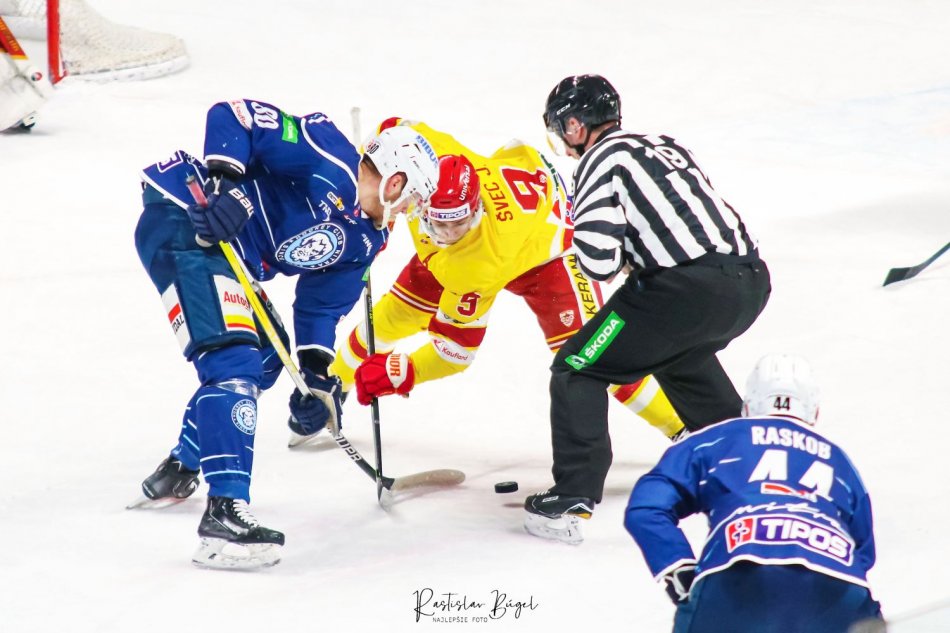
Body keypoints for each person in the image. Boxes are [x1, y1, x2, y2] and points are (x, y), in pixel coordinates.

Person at [132, 99, 439, 569]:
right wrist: (225, 188)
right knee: (234, 364)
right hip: (187, 221)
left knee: (267, 359)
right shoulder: (328, 152)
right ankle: (223, 514)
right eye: (414, 198)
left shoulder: (369, 239)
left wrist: (316, 375)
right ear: (395, 182)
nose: (413, 212)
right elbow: (234, 115)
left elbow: (321, 307)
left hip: (231, 261)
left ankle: (182, 466)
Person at [304, 117, 685, 449]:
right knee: (393, 317)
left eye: (458, 223)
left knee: (591, 356)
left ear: (477, 210)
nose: (447, 234)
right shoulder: (427, 156)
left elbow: (456, 352)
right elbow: (393, 127)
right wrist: (370, 191)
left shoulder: (475, 265)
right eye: (438, 223)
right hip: (514, 190)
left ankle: (684, 428)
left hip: (546, 255)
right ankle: (329, 390)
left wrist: (403, 370)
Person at [523, 74, 772, 544]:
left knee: (577, 367)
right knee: (680, 357)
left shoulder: (599, 159)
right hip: (750, 281)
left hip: (684, 290)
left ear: (575, 125)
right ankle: (753, 473)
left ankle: (573, 496)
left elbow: (597, 262)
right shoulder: (664, 145)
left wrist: (585, 231)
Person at [625, 354, 884, 633]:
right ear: (814, 413)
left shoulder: (717, 439)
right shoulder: (840, 461)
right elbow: (863, 552)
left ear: (747, 407)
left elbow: (647, 507)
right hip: (842, 590)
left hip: (737, 579)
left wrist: (677, 567)